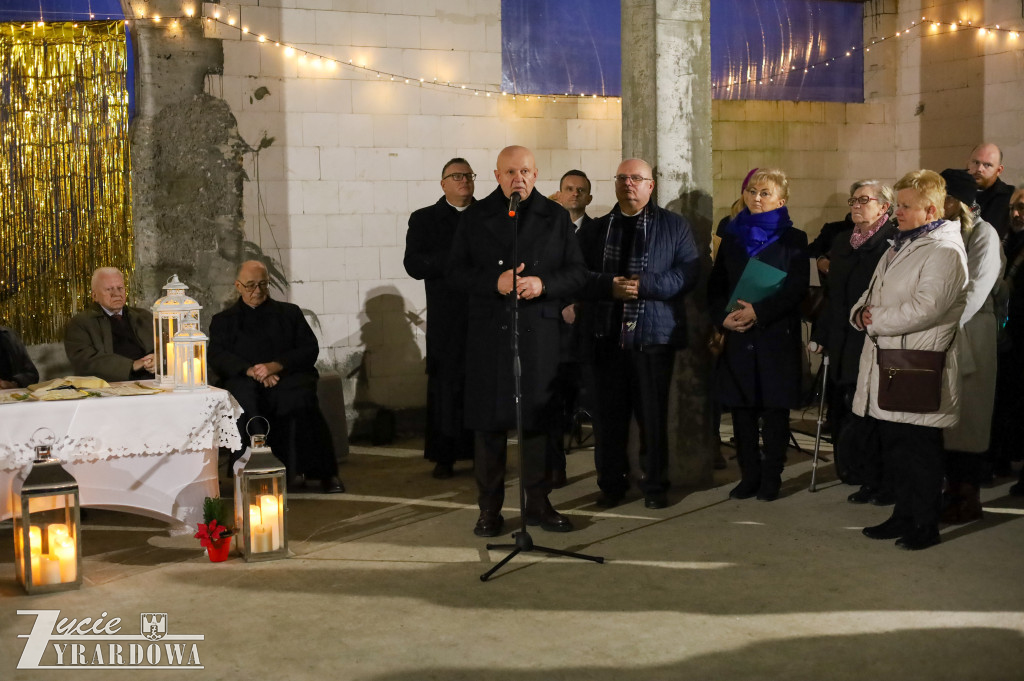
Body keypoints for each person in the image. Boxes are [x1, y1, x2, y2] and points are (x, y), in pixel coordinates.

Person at [447, 145, 587, 537]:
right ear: (496, 176)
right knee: (490, 427)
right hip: (490, 336)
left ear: (536, 173)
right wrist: (496, 282)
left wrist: (543, 284)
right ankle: (489, 509)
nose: (518, 178)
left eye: (525, 171)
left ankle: (539, 503)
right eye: (510, 172)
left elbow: (577, 273)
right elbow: (455, 272)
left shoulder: (556, 217)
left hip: (538, 336)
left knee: (539, 424)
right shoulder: (476, 217)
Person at [852, 169, 968, 550]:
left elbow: (928, 308)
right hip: (891, 356)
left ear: (930, 209)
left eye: (905, 206)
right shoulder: (899, 244)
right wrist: (860, 313)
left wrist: (876, 320)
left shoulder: (945, 251)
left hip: (918, 361)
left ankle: (925, 524)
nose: (897, 211)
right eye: (897, 204)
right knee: (897, 447)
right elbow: (873, 291)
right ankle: (902, 515)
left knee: (920, 451)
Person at [577, 158, 700, 509]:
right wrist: (607, 286)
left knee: (652, 416)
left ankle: (655, 486)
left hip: (652, 337)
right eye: (622, 178)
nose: (628, 184)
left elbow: (687, 274)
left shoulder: (674, 226)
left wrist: (643, 285)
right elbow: (578, 275)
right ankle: (611, 486)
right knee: (608, 419)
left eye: (636, 178)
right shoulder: (597, 228)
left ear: (651, 185)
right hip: (606, 336)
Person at [708, 168, 809, 502]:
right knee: (743, 411)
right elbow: (717, 286)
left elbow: (796, 289)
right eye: (752, 191)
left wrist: (759, 312)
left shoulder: (794, 239)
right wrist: (724, 319)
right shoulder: (733, 236)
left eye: (765, 192)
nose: (756, 197)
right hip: (738, 336)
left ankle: (771, 477)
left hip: (774, 336)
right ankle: (748, 476)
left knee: (775, 411)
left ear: (781, 200)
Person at [208, 260, 344, 494]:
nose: (257, 291)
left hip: (287, 377)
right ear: (238, 286)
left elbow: (308, 348)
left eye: (263, 284)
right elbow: (218, 355)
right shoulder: (223, 321)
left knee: (301, 400)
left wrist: (276, 366)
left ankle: (322, 473)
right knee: (245, 400)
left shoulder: (289, 313)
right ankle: (253, 472)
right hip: (245, 379)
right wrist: (253, 371)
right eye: (250, 285)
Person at [810, 180, 897, 505]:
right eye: (853, 200)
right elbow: (833, 297)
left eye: (864, 200)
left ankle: (884, 480)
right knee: (848, 410)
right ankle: (860, 474)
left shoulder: (893, 242)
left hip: (874, 340)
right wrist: (821, 335)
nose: (856, 205)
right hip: (843, 341)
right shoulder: (843, 240)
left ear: (884, 207)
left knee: (876, 414)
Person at [404, 158, 476, 479]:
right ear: (443, 183)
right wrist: (454, 260)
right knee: (446, 387)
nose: (464, 181)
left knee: (480, 385)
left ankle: (482, 453)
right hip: (447, 317)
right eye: (456, 176)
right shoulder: (425, 219)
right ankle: (444, 455)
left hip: (483, 314)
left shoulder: (488, 215)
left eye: (468, 175)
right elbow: (414, 264)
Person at [938, 169, 1002, 524]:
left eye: (943, 197)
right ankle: (951, 492)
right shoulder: (941, 232)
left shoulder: (984, 234)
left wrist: (940, 324)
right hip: (944, 335)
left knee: (970, 418)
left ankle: (968, 497)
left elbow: (976, 290)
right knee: (949, 420)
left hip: (972, 333)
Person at [545, 169, 595, 489]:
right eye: (568, 188)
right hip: (553, 335)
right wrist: (557, 308)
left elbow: (601, 277)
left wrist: (581, 306)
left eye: (581, 190)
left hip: (589, 334)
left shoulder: (599, 232)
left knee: (596, 402)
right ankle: (554, 467)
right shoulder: (546, 233)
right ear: (559, 194)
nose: (574, 193)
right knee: (552, 406)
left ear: (589, 198)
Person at [64, 267, 155, 382]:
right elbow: (85, 362)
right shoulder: (80, 323)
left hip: (153, 380)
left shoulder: (144, 316)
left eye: (120, 288)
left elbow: (168, 345)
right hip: (111, 385)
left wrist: (159, 360)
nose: (116, 294)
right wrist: (132, 365)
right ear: (94, 296)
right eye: (109, 289)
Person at [994, 188, 1024, 491]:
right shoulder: (1006, 241)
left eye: (1023, 208)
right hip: (1007, 336)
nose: (1016, 214)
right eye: (1013, 208)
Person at [967, 143, 1015, 239]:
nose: (979, 169)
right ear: (967, 163)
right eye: (976, 162)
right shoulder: (952, 192)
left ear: (999, 170)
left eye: (987, 165)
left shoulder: (1010, 197)